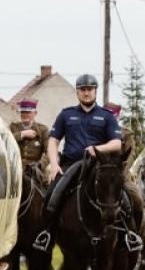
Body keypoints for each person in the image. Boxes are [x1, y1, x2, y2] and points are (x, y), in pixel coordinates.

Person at [42, 73, 124, 227]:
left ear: (95, 91)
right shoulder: (66, 114)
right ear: (77, 92)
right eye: (83, 89)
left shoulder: (106, 116)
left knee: (127, 196)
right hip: (71, 164)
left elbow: (116, 143)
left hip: (99, 166)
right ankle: (47, 235)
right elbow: (53, 141)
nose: (86, 93)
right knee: (52, 194)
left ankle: (129, 236)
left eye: (90, 89)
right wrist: (54, 164)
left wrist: (97, 148)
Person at [9, 99, 46, 167]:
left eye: (28, 112)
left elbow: (49, 151)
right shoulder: (13, 127)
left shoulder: (42, 130)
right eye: (23, 112)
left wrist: (40, 165)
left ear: (35, 113)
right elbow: (7, 141)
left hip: (35, 170)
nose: (25, 115)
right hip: (15, 167)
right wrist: (22, 134)